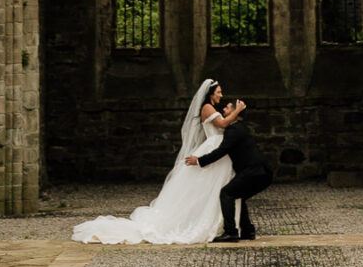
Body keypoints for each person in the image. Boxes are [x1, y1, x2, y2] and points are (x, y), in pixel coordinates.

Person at [71, 80, 233, 245]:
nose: (221, 95)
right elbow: (222, 123)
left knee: (212, 188)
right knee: (209, 187)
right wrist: (238, 111)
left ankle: (223, 224)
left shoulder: (213, 108)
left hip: (217, 149)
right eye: (219, 92)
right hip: (212, 147)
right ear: (210, 93)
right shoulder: (207, 107)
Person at [186, 94, 272, 241]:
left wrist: (199, 161)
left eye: (227, 108)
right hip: (262, 172)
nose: (223, 110)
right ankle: (247, 231)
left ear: (234, 112)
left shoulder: (234, 130)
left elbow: (221, 151)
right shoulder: (239, 127)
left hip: (255, 172)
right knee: (239, 195)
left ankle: (231, 232)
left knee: (227, 193)